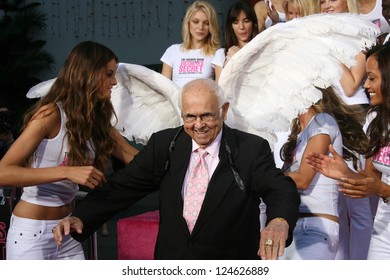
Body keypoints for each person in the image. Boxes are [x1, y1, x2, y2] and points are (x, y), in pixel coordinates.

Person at [52, 78, 300, 260]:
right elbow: (123, 186)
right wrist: (81, 216)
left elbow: (280, 188)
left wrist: (278, 221)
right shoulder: (165, 144)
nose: (198, 125)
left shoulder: (249, 148)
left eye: (206, 116)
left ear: (223, 111)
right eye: (190, 117)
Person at [0, 41, 139, 260]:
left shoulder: (98, 122)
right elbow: (3, 172)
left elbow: (135, 158)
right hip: (30, 236)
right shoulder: (50, 114)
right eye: (109, 74)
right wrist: (66, 171)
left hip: (67, 232)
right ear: (89, 73)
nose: (114, 82)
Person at [306, 43, 390, 259]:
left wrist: (382, 190)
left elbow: (379, 187)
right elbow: (371, 181)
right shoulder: (375, 120)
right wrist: (345, 173)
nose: (366, 85)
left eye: (372, 78)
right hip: (383, 230)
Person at [277, 86, 368, 260]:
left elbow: (303, 179)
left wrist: (259, 174)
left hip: (315, 229)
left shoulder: (323, 121)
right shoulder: (298, 134)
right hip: (291, 226)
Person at [160, 1, 220, 87]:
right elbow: (163, 87)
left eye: (206, 23)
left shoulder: (217, 53)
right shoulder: (172, 51)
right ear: (188, 23)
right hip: (176, 99)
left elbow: (219, 90)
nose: (200, 27)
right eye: (196, 22)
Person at [212, 1, 259, 81]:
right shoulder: (221, 54)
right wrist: (229, 60)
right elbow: (219, 87)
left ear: (253, 23)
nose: (241, 27)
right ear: (231, 27)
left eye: (246, 21)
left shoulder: (261, 49)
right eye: (236, 22)